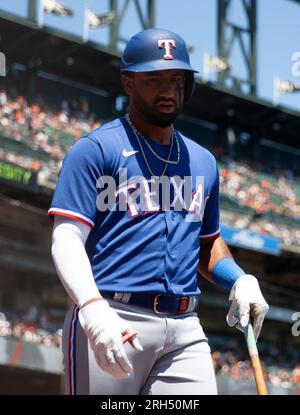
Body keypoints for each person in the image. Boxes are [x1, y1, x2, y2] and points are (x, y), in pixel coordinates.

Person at [49, 28, 269, 395]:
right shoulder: (95, 149)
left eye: (176, 79)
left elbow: (207, 243)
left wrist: (239, 279)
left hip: (184, 328)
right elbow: (66, 238)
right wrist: (91, 309)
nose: (167, 90)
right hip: (114, 316)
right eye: (154, 79)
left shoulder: (202, 161)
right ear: (128, 83)